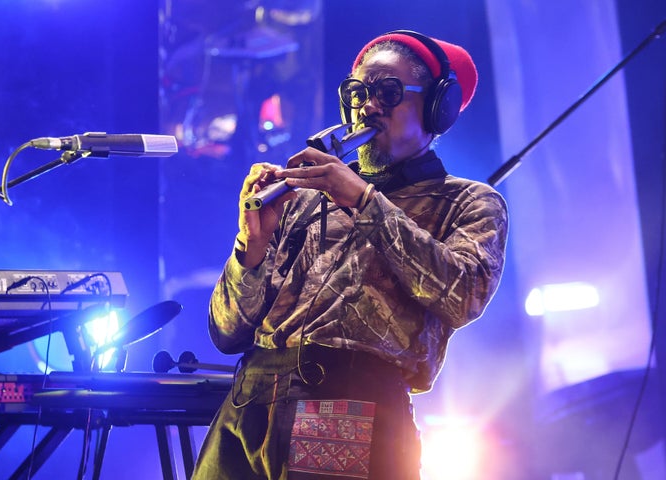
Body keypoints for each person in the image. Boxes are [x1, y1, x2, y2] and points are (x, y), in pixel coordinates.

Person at [192, 30, 508, 480]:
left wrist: (364, 201)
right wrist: (251, 249)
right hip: (247, 401)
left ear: (439, 106)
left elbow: (463, 296)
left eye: (387, 91)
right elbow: (225, 333)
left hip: (345, 403)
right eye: (357, 93)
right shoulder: (305, 196)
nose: (368, 106)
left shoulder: (468, 202)